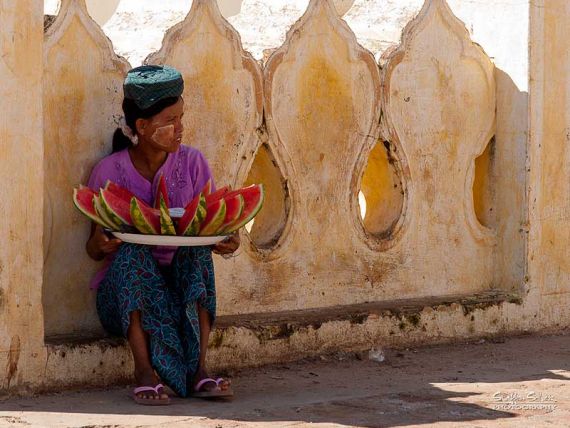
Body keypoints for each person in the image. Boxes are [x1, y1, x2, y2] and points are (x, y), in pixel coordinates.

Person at [86, 65, 239, 405]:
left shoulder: (194, 163)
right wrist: (101, 244)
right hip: (124, 300)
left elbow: (210, 223)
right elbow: (94, 248)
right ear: (142, 127)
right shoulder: (108, 172)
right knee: (130, 255)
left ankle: (199, 370)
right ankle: (143, 372)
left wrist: (228, 238)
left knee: (196, 254)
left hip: (179, 292)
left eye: (181, 117)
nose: (181, 129)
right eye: (170, 121)